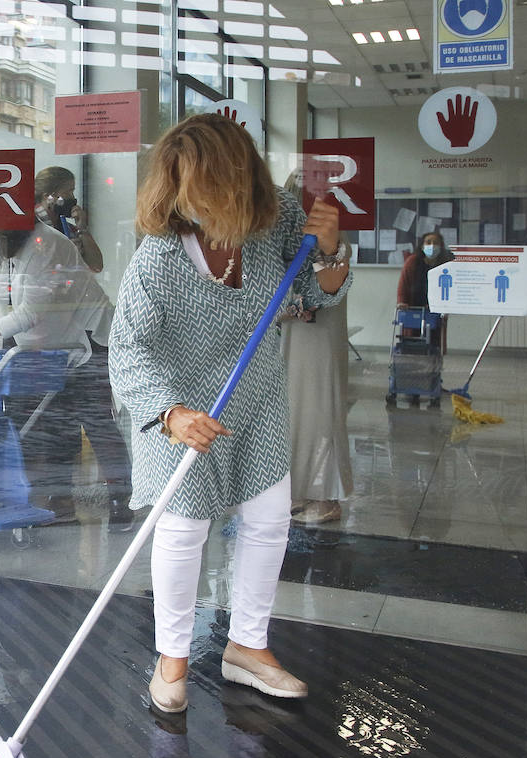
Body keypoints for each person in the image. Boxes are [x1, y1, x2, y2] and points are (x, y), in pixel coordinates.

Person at [107, 114, 350, 714]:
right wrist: (170, 414)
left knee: (269, 522)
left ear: (243, 182)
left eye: (216, 188)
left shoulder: (277, 225)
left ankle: (247, 648)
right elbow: (128, 347)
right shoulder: (159, 259)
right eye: (193, 192)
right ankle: (172, 659)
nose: (207, 204)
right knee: (184, 531)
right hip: (183, 410)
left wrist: (328, 247)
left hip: (257, 399)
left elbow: (315, 293)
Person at [0, 188, 133, 525]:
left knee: (96, 422)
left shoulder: (47, 245)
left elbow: (31, 311)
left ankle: (120, 500)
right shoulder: (5, 244)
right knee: (56, 422)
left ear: (4, 221)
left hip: (88, 340)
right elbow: (4, 289)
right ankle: (60, 496)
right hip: (50, 345)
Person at [280, 176, 354, 527]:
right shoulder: (281, 241)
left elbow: (312, 300)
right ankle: (292, 490)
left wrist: (277, 307)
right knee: (291, 415)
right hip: (289, 344)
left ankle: (322, 494)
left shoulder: (333, 243)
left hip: (316, 343)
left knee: (317, 414)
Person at [34, 166, 105, 273]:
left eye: (72, 192)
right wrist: (66, 252)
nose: (72, 197)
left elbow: (96, 266)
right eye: (67, 193)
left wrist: (82, 229)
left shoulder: (67, 228)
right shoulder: (33, 226)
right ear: (48, 197)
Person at [396, 231, 453, 353]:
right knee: (411, 341)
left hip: (434, 311)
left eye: (436, 243)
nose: (432, 246)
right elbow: (403, 285)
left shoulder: (444, 264)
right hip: (413, 307)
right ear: (422, 246)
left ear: (441, 246)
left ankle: (433, 367)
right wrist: (401, 302)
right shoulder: (412, 262)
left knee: (433, 343)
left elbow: (449, 288)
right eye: (428, 242)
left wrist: (446, 306)